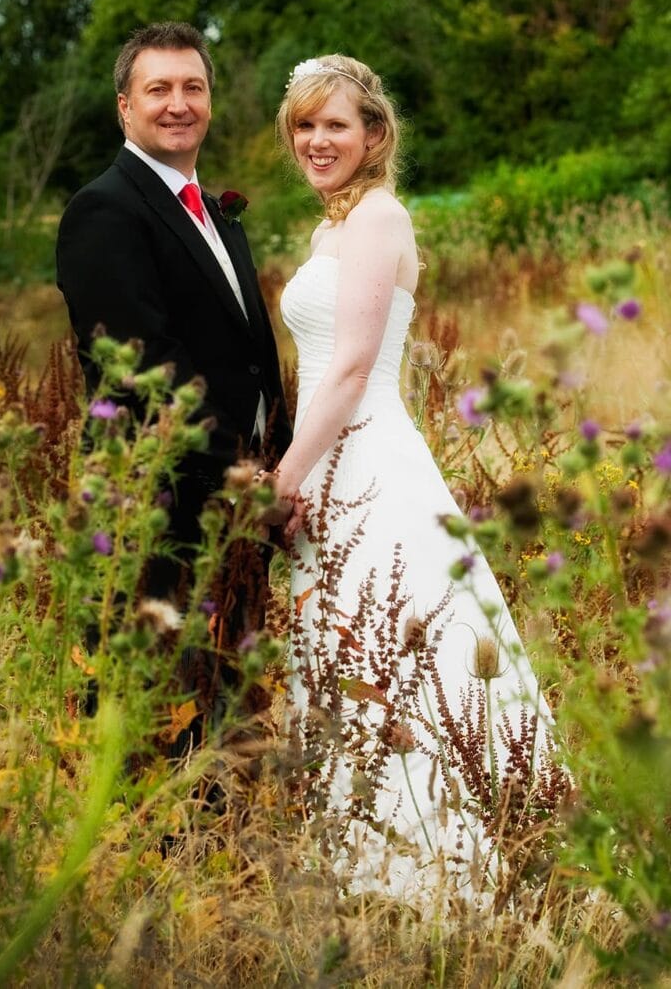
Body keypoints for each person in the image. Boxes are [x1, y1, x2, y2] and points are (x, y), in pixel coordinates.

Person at [273, 55, 566, 900]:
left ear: (374, 133)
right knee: (344, 644)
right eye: (304, 124)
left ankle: (430, 860)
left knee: (401, 640)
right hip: (327, 454)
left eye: (335, 124)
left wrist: (283, 478)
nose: (318, 140)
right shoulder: (334, 227)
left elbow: (358, 361)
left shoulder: (378, 219)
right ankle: (354, 843)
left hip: (364, 453)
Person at [56, 21, 292, 743]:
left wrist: (279, 458)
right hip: (163, 506)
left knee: (226, 705)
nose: (178, 103)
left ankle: (220, 844)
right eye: (157, 88)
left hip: (235, 504)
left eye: (193, 86)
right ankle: (161, 850)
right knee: (160, 717)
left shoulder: (217, 211)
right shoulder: (104, 210)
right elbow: (145, 367)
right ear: (124, 108)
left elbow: (248, 355)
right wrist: (244, 473)